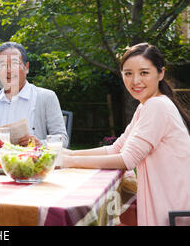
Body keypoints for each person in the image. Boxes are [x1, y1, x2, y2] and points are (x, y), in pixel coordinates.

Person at [61, 43, 190, 226]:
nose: (135, 80)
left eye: (144, 73)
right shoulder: (146, 106)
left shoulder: (157, 106)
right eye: (128, 73)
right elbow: (117, 148)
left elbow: (126, 159)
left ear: (161, 73)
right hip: (170, 208)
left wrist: (69, 162)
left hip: (173, 214)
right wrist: (70, 154)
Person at [0, 42, 68, 147]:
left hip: (32, 162)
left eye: (15, 64)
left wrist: (40, 144)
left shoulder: (46, 97)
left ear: (26, 68)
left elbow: (63, 140)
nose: (9, 70)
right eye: (2, 65)